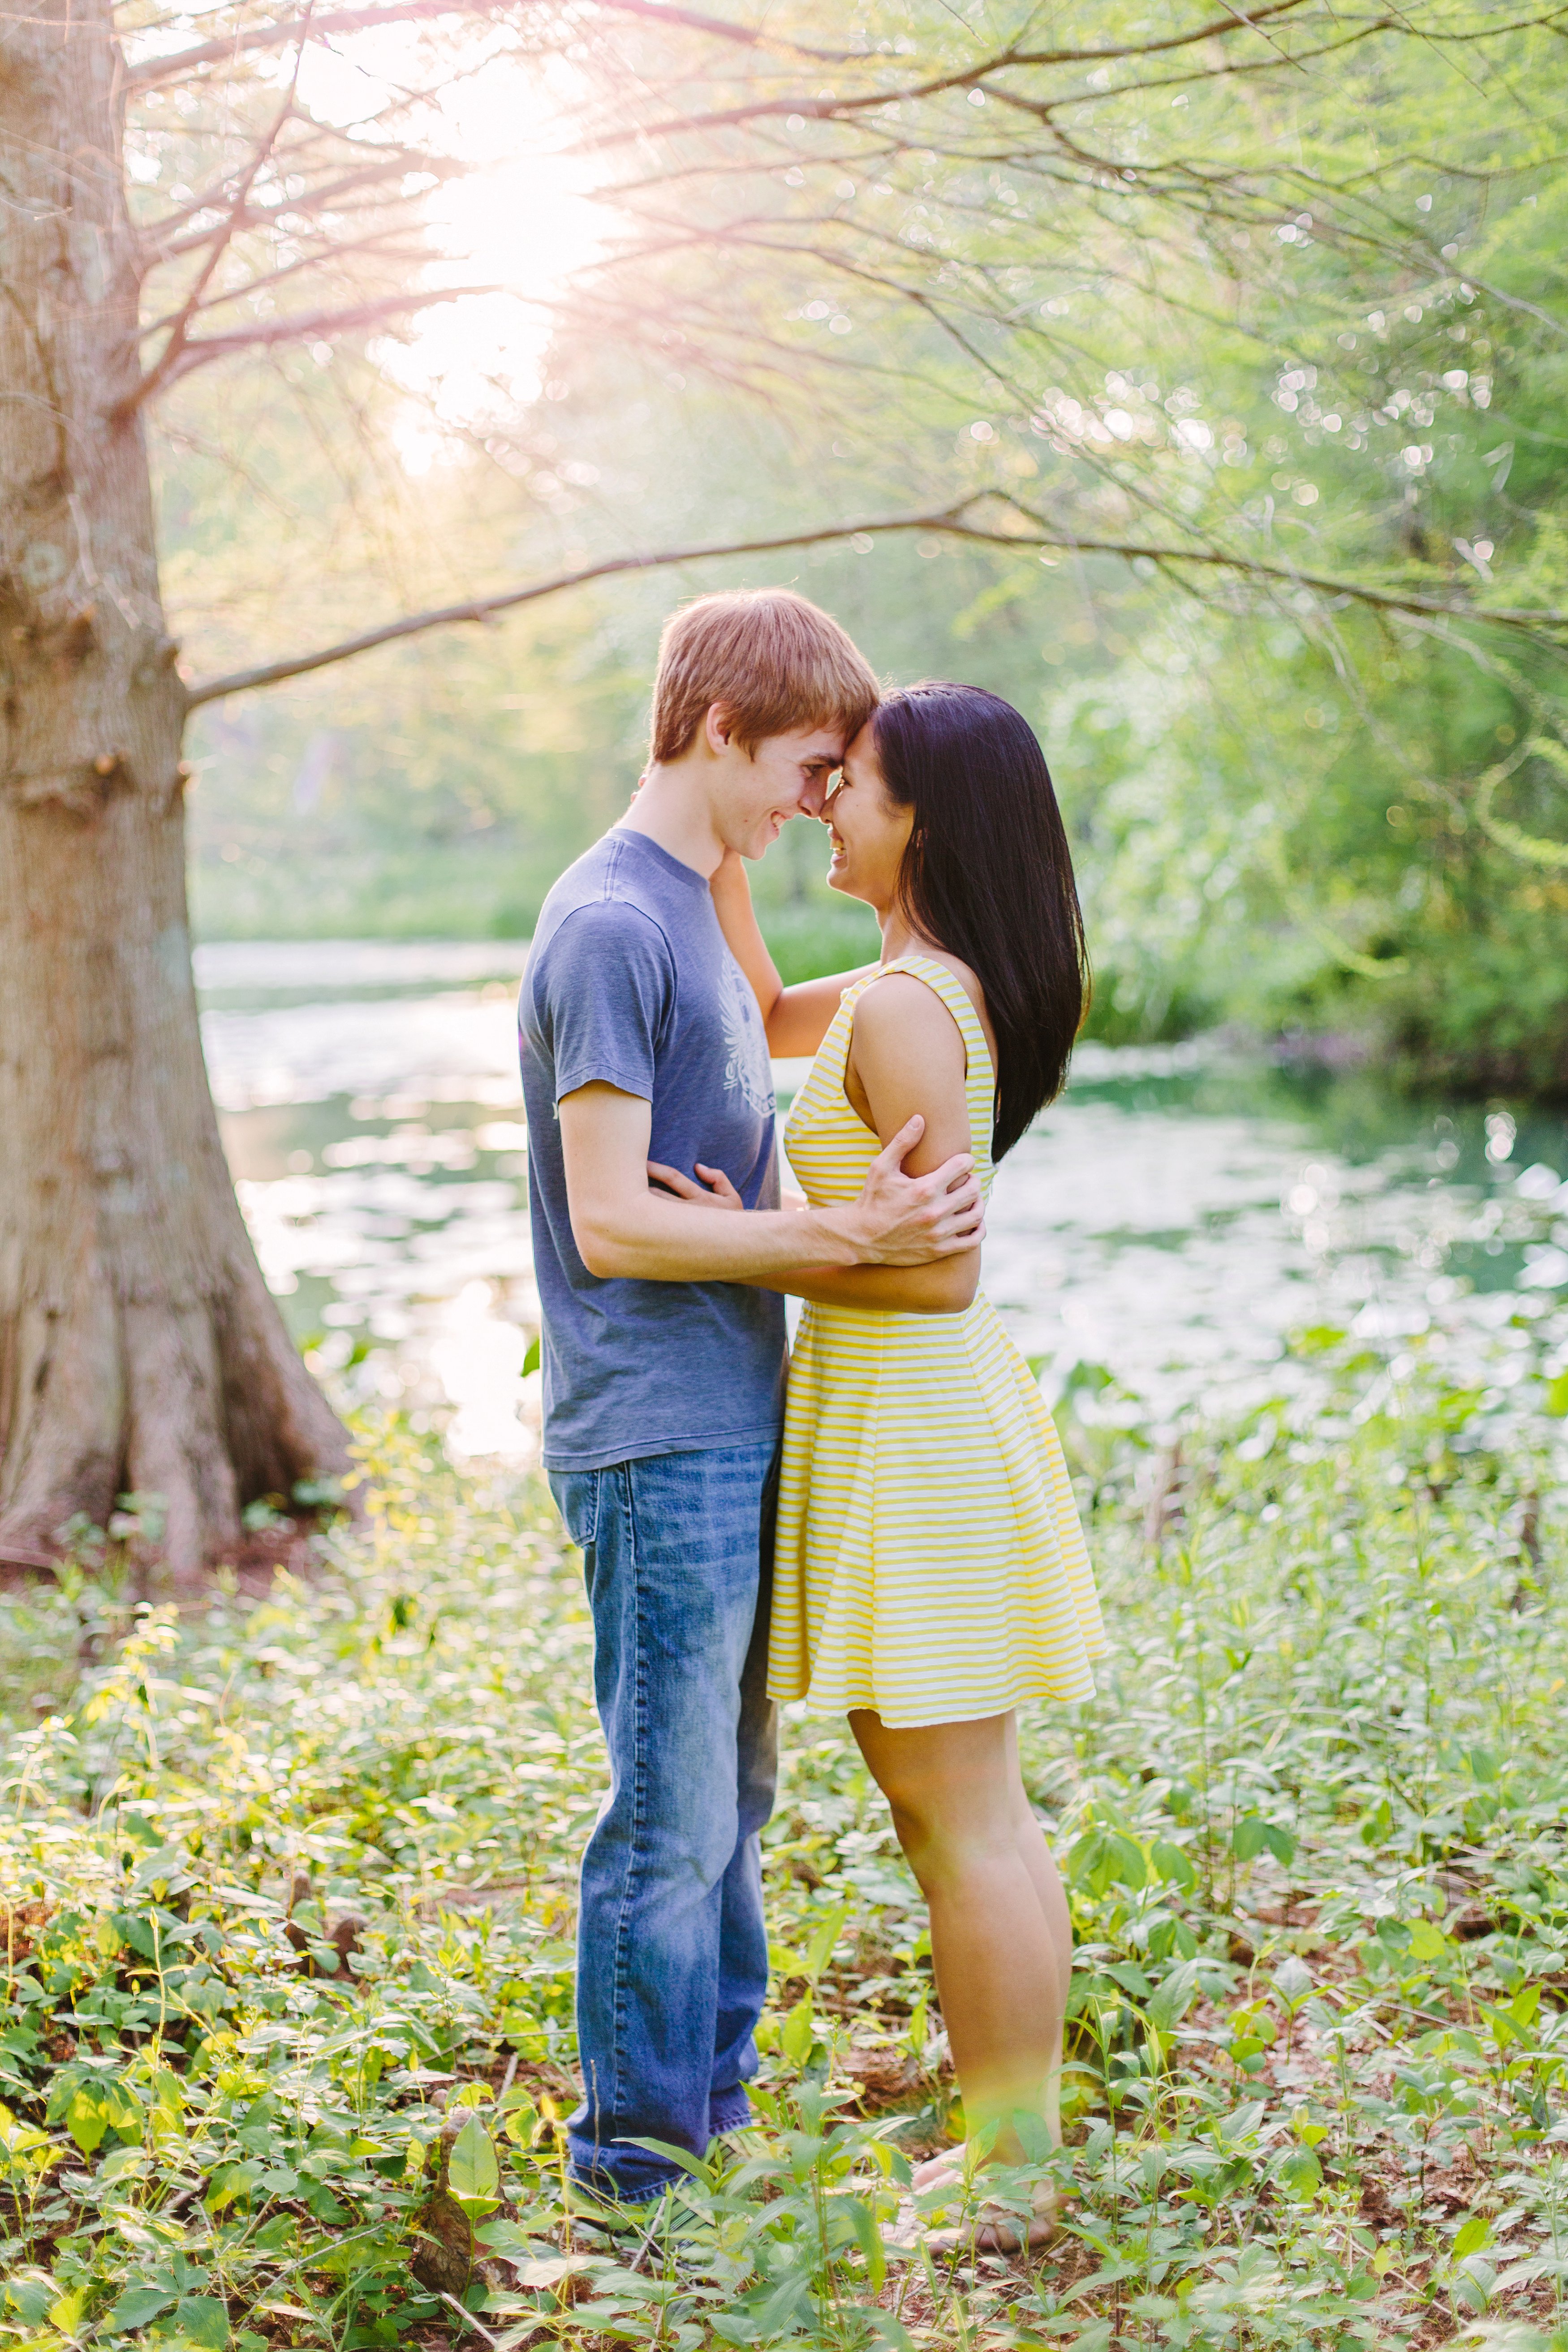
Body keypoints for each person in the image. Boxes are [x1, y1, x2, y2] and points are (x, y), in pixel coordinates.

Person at [518, 593, 986, 2207]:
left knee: (732, 1796)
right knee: (665, 1817)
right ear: (718, 731)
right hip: (654, 1429)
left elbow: (696, 1179)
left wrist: (754, 1222)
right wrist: (833, 1233)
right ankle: (637, 2178)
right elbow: (606, 1218)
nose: (813, 799)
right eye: (799, 765)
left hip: (726, 1408)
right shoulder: (608, 924)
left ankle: (702, 2121)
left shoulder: (693, 902)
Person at [659, 681, 1107, 2249]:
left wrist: (740, 1246)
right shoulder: (894, 987)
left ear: (921, 817)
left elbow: (937, 1274)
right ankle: (1011, 2140)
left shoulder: (917, 1006)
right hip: (893, 1421)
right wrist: (710, 799)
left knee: (964, 1815)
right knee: (953, 1815)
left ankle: (1017, 2172)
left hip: (917, 1417)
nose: (822, 808)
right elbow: (757, 993)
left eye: (845, 786)